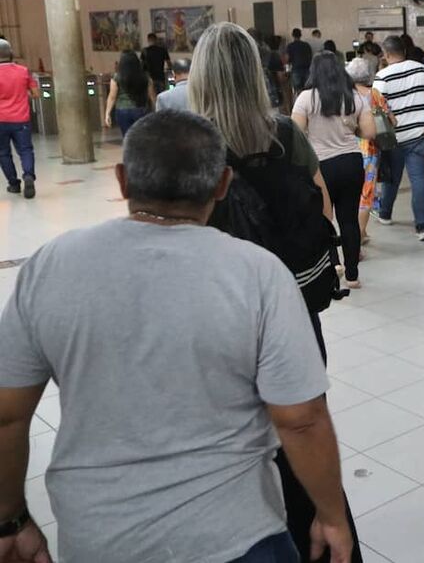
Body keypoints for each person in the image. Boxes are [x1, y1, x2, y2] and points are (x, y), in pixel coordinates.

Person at [0, 109, 353, 563]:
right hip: (238, 537)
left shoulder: (52, 265)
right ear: (223, 184)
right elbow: (301, 417)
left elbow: (7, 415)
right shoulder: (258, 274)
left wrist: (9, 519)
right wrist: (330, 516)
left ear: (123, 181)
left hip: (100, 538)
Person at [189, 22, 364, 563]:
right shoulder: (282, 134)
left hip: (210, 316)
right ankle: (323, 531)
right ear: (255, 73)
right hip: (288, 308)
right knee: (301, 430)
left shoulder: (184, 141)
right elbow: (321, 211)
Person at [292, 51, 375, 289]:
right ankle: (352, 276)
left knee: (324, 219)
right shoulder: (354, 97)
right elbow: (369, 132)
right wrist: (350, 130)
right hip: (351, 162)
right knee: (349, 219)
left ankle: (334, 265)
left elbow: (295, 134)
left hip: (320, 166)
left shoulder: (306, 98)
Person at [373, 35, 424, 241]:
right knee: (418, 179)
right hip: (418, 134)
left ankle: (385, 214)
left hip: (393, 137)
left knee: (392, 178)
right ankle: (422, 227)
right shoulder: (421, 69)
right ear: (404, 50)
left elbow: (377, 107)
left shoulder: (382, 76)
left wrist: (392, 118)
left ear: (385, 54)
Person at [350, 63, 392, 246]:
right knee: (366, 193)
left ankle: (362, 231)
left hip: (347, 148)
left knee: (351, 194)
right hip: (370, 149)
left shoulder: (345, 96)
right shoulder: (373, 94)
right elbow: (391, 120)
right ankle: (358, 237)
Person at [0, 39, 38, 199]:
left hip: (1, 121)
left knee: (3, 153)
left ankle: (14, 184)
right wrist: (23, 95)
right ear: (11, 53)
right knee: (25, 150)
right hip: (21, 119)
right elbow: (36, 94)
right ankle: (28, 175)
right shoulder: (23, 71)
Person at [104, 51, 156, 137]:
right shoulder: (145, 77)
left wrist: (107, 114)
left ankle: (129, 150)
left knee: (127, 137)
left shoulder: (116, 77)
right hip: (141, 109)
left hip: (122, 110)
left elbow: (112, 97)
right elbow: (152, 95)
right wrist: (155, 109)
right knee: (141, 137)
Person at [286, 28, 313, 94]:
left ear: (293, 35)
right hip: (307, 69)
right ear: (300, 35)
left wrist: (287, 70)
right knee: (307, 89)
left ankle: (300, 102)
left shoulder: (290, 46)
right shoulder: (306, 45)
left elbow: (287, 59)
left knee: (298, 90)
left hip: (296, 69)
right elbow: (311, 56)